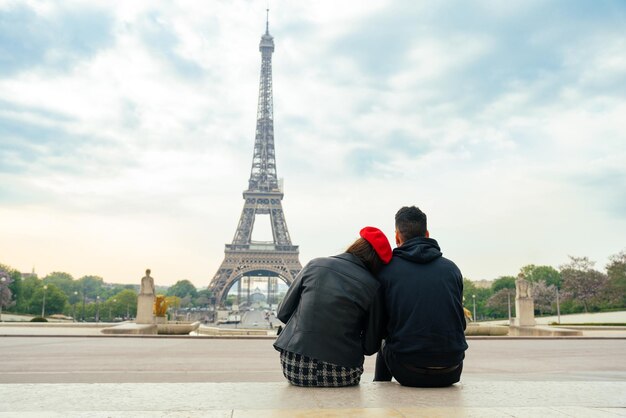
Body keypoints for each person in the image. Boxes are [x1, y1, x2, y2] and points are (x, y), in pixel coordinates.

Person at [274, 226, 392, 387]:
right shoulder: (373, 287)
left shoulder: (315, 265)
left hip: (294, 366)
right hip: (343, 372)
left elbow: (283, 313)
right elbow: (370, 347)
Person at [374, 206, 468, 387]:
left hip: (407, 370)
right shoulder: (452, 269)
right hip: (452, 369)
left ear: (396, 237)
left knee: (385, 343)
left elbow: (380, 327)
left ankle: (380, 386)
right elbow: (460, 323)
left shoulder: (387, 271)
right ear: (427, 233)